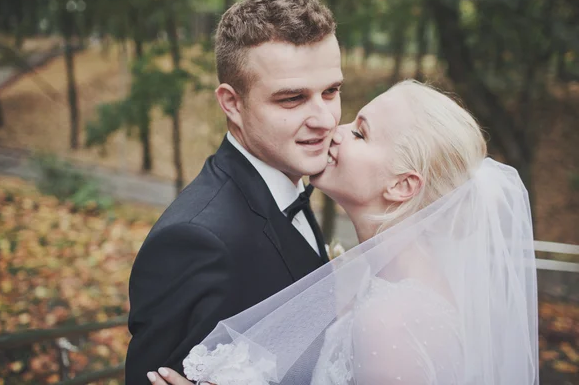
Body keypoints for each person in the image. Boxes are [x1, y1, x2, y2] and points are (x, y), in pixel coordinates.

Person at [150, 80, 539, 384]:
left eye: (361, 134)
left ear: (402, 186)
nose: (336, 129)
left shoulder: (391, 319)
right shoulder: (384, 281)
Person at [125, 0, 343, 383]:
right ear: (231, 103)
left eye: (331, 91)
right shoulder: (195, 240)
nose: (325, 119)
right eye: (292, 99)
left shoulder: (288, 182)